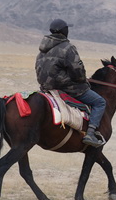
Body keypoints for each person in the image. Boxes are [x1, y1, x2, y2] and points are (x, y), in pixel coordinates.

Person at [35, 18, 107, 147]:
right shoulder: (67, 48)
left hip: (46, 88)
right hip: (67, 88)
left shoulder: (42, 49)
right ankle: (90, 133)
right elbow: (78, 72)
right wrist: (83, 81)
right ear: (64, 31)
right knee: (100, 102)